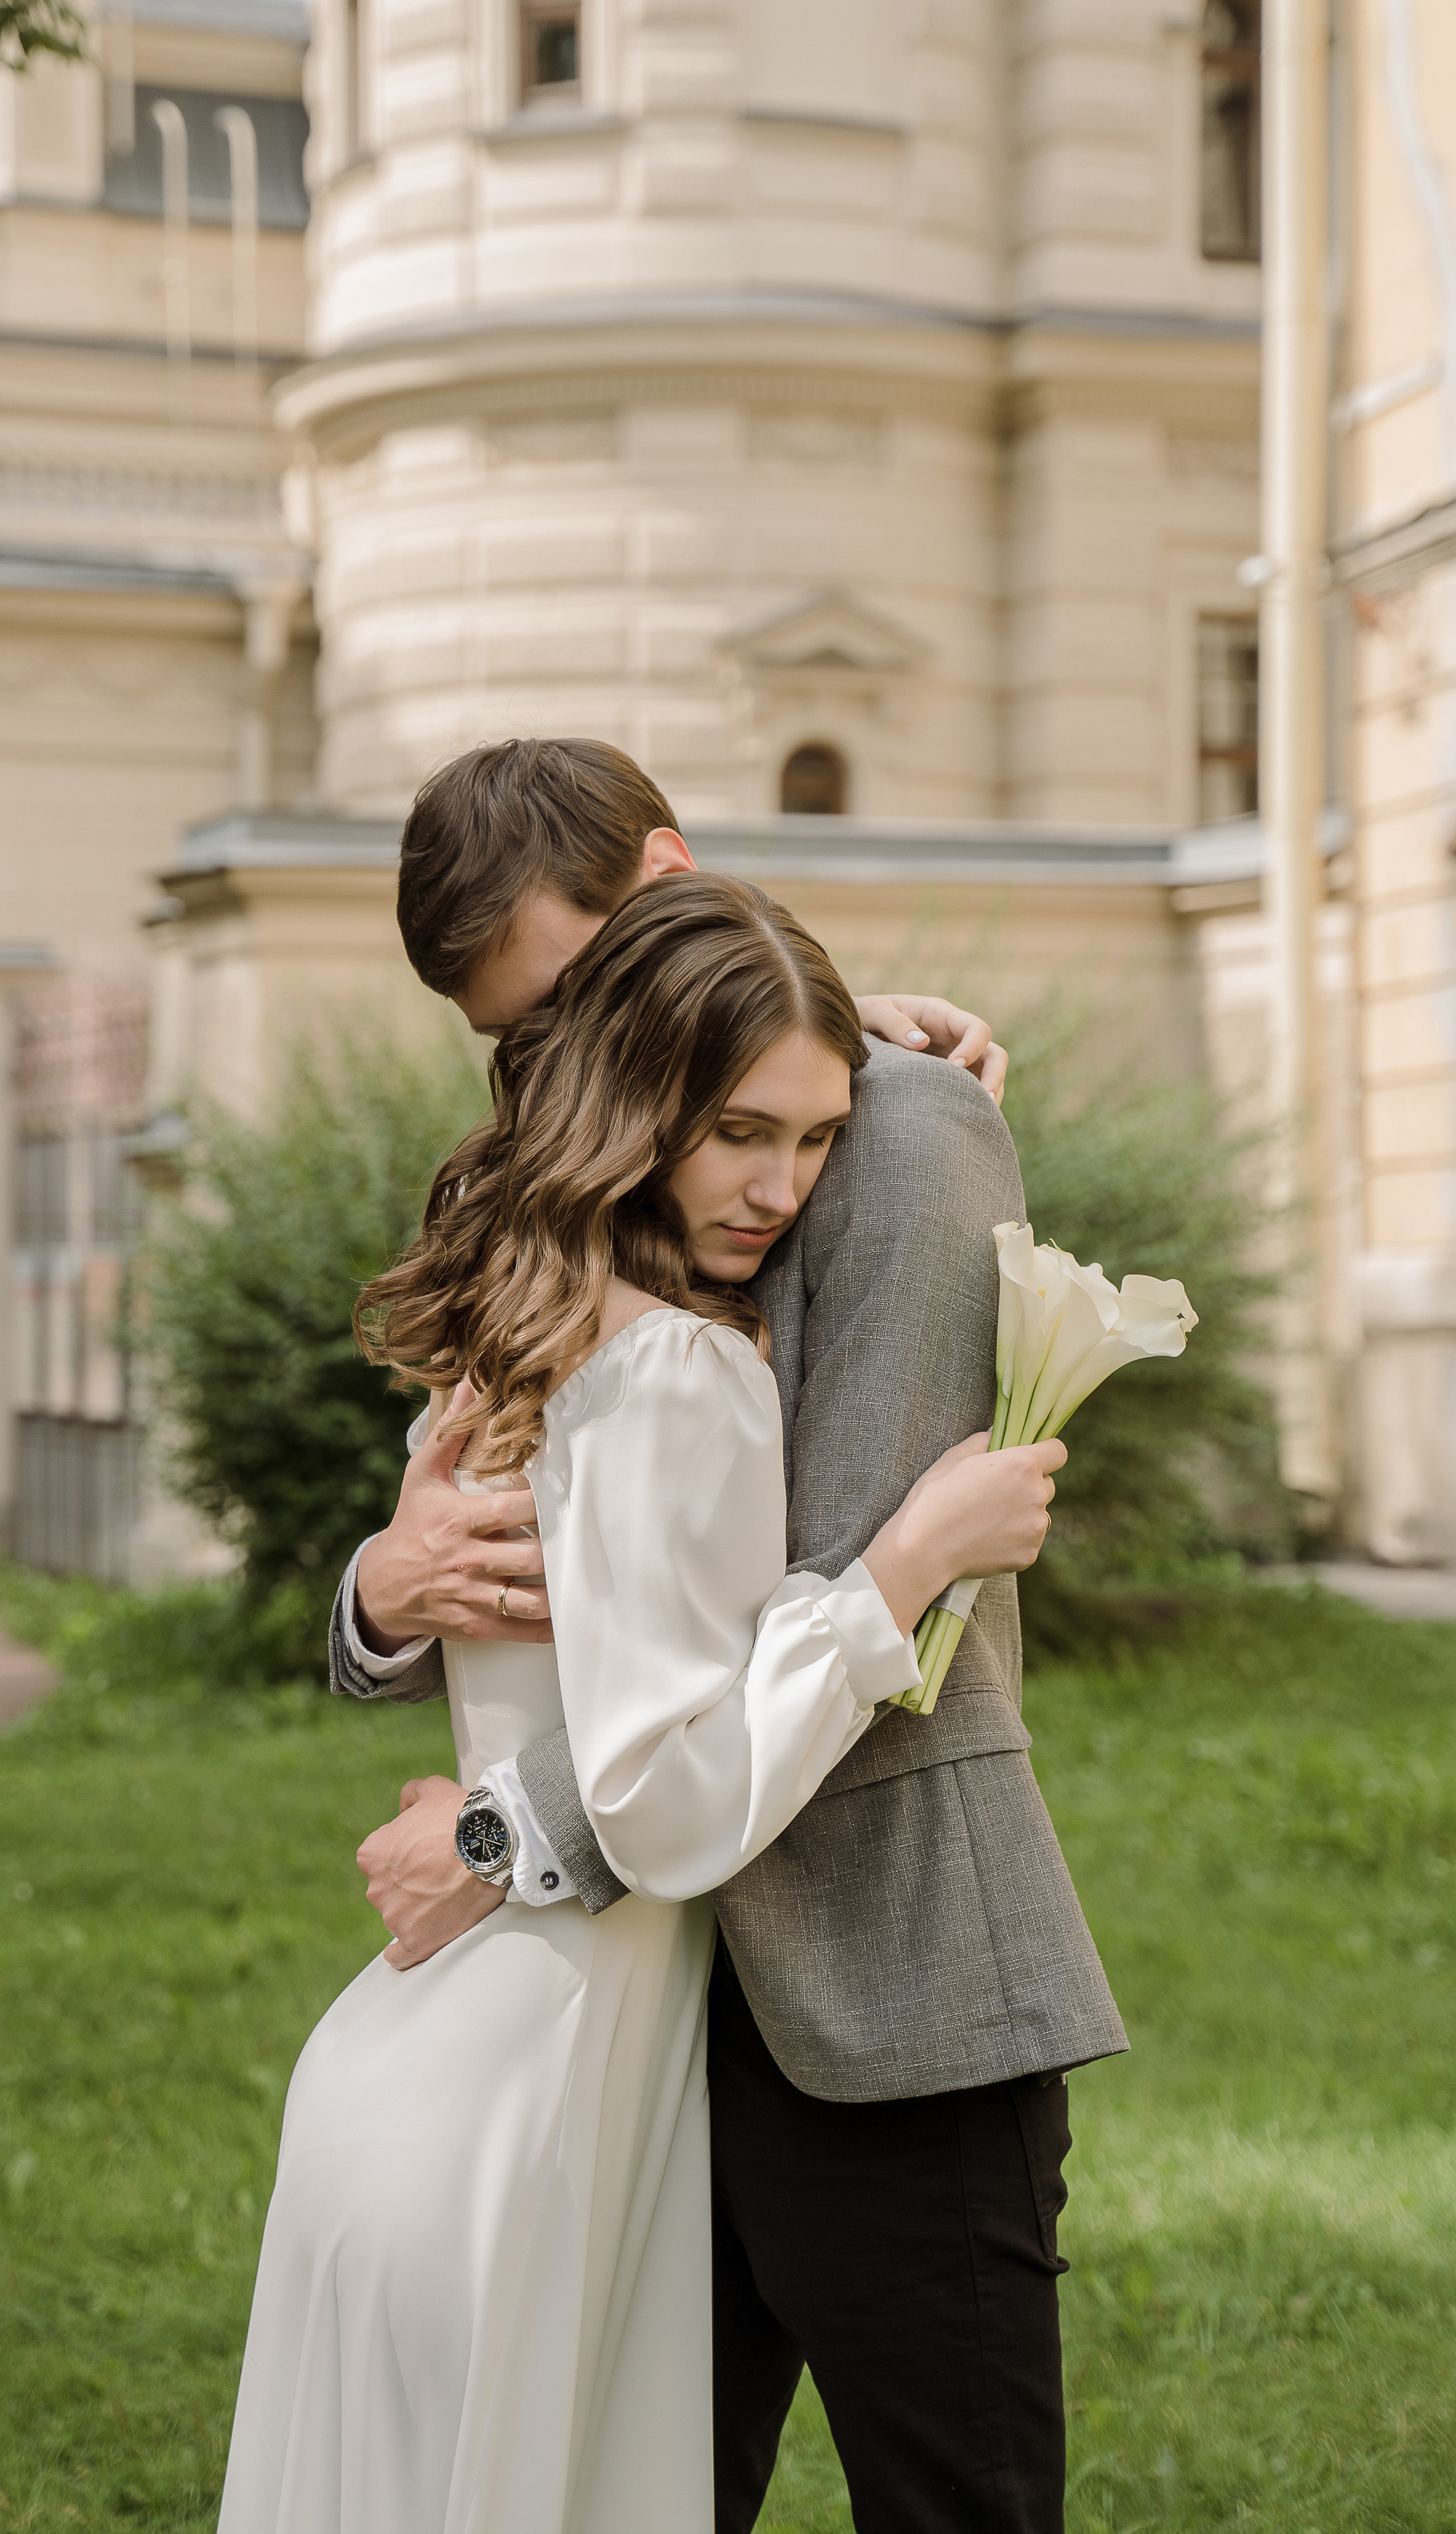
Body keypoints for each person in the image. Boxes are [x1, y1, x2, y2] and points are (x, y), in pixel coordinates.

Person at [333, 739, 1127, 2533]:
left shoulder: (909, 1129)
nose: (563, 1053)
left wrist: (495, 1833)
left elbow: (844, 1571)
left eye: (571, 989)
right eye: (516, 1036)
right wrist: (380, 1595)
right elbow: (527, 1529)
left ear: (669, 872)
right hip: (643, 2007)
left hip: (877, 1975)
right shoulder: (584, 1154)